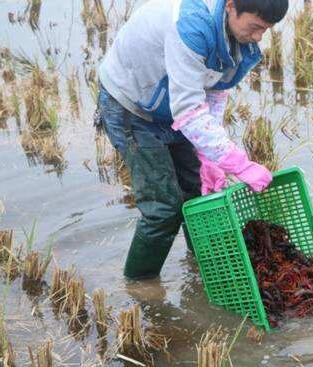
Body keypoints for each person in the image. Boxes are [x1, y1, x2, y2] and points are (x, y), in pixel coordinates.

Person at [95, 0, 289, 280]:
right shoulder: (191, 26)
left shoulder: (236, 38)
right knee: (164, 209)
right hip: (131, 104)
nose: (259, 37)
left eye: (266, 30)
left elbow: (214, 91)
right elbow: (188, 110)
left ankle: (205, 271)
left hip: (174, 103)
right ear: (232, 6)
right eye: (256, 27)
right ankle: (141, 286)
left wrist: (210, 157)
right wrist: (239, 164)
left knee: (199, 192)